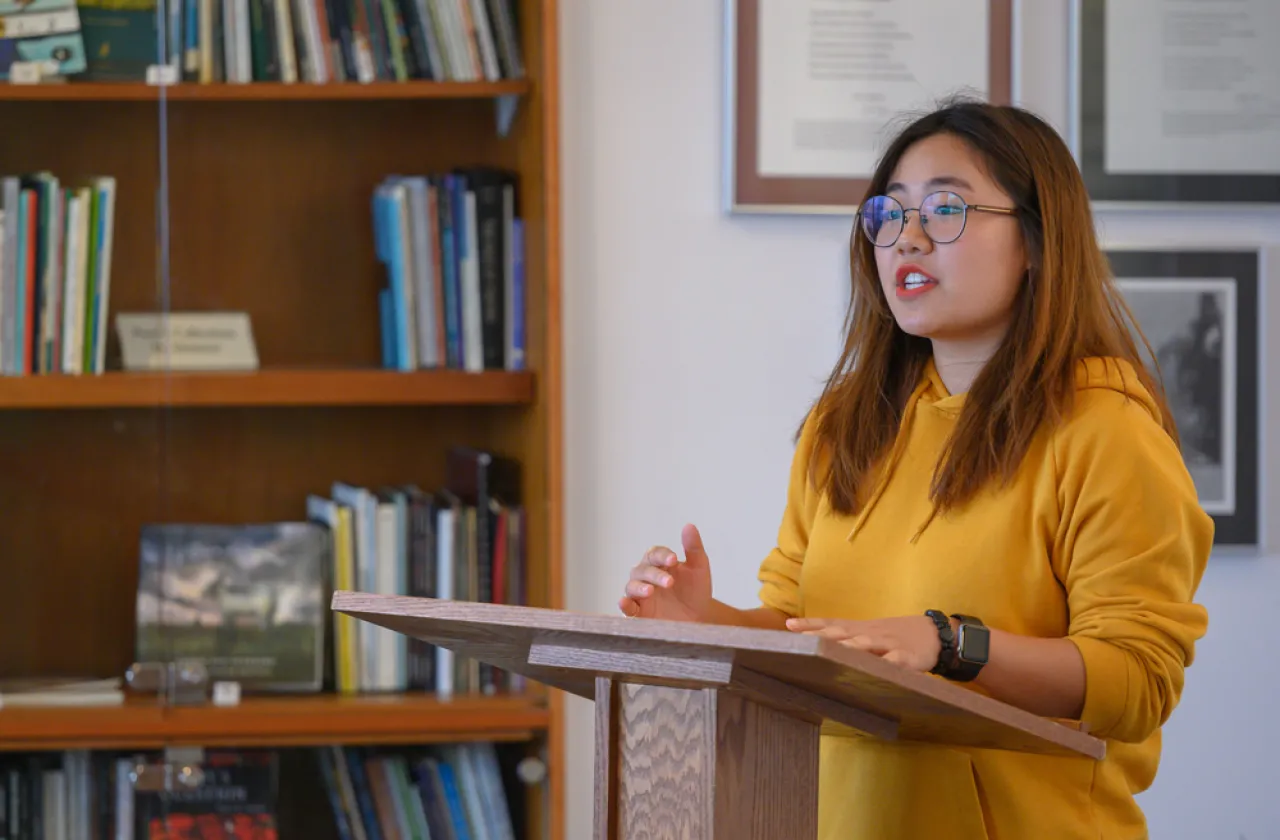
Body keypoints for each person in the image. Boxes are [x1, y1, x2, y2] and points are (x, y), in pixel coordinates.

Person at [617, 98, 1212, 839]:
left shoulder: (1104, 427)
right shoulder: (844, 425)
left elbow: (1138, 678)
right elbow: (804, 627)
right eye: (889, 215)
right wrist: (707, 622)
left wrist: (951, 644)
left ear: (1035, 239)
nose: (908, 240)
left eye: (946, 209)